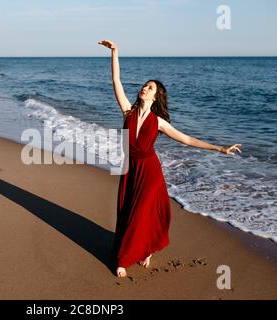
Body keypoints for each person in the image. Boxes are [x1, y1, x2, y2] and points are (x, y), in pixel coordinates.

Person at [98, 39, 243, 278]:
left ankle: (124, 259)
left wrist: (219, 148)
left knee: (142, 212)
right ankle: (146, 248)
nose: (145, 88)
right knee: (127, 211)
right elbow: (116, 81)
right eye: (145, 85)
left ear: (155, 97)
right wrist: (115, 52)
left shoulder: (160, 123)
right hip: (130, 169)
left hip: (150, 171)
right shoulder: (128, 111)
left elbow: (186, 139)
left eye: (150, 88)